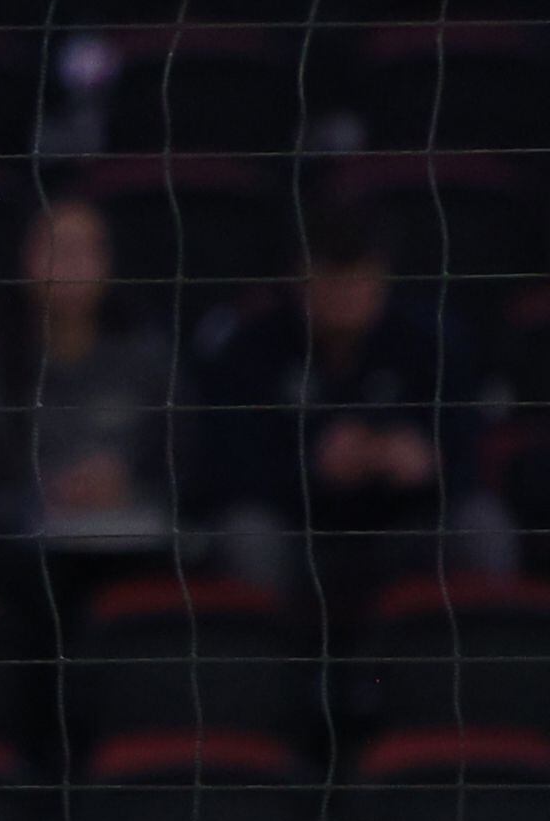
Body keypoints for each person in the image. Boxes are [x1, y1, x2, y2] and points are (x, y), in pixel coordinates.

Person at [190, 201, 464, 612]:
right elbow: (224, 472)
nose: (347, 295)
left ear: (382, 277)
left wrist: (426, 461)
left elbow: (469, 449)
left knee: (479, 523)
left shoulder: (427, 342)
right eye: (331, 280)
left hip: (400, 528)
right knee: (246, 533)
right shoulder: (251, 349)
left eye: (359, 279)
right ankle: (271, 673)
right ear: (299, 278)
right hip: (295, 531)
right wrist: (313, 466)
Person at [0, 197, 179, 571]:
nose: (72, 263)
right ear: (24, 257)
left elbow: (188, 468)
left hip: (132, 547)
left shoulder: (147, 354)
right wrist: (41, 500)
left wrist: (127, 486)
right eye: (57, 247)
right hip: (11, 559)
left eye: (88, 248)